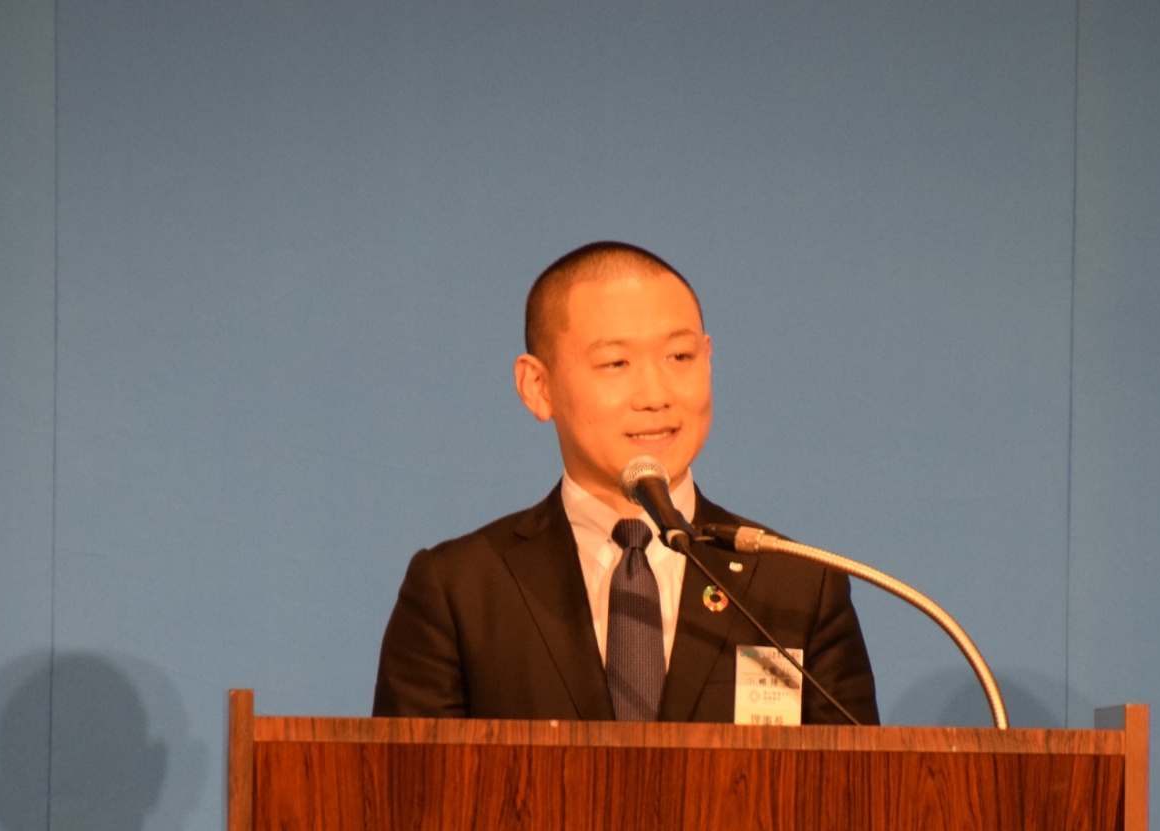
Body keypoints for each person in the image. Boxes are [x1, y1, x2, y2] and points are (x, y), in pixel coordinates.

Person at [372, 242, 878, 724]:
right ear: (538, 387)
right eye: (616, 363)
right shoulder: (460, 591)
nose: (656, 395)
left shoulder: (795, 587)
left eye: (679, 358)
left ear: (708, 359)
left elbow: (855, 781)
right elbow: (412, 782)